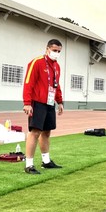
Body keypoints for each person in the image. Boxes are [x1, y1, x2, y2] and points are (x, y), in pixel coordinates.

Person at [22, 39, 64, 174]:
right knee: (35, 132)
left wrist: (60, 101)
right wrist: (27, 103)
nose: (56, 53)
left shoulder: (57, 66)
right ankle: (29, 165)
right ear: (47, 49)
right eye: (54, 50)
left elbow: (56, 85)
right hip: (37, 102)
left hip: (50, 102)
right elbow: (29, 82)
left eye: (59, 51)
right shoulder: (37, 62)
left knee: (47, 132)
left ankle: (46, 161)